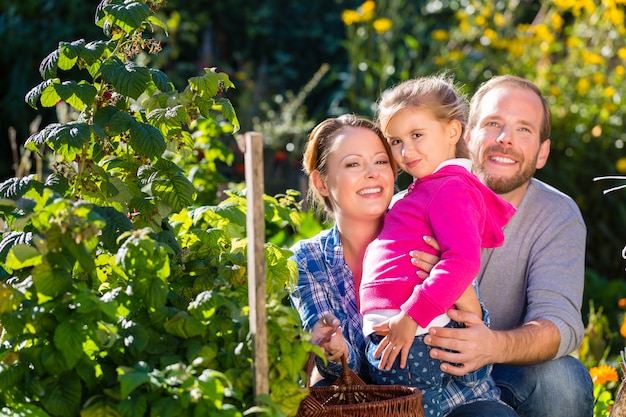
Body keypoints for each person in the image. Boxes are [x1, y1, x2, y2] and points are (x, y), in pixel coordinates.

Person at [289, 113, 519, 416]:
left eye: (381, 161)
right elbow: (344, 374)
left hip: (461, 401)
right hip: (376, 407)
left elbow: (474, 367)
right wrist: (333, 353)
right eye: (353, 164)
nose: (372, 173)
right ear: (320, 182)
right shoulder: (308, 260)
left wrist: (461, 295)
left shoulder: (424, 219)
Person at [418, 75, 594, 417]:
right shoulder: (419, 200)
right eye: (493, 123)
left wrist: (491, 346)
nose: (505, 139)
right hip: (422, 373)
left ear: (542, 153)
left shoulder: (557, 215)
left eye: (524, 130)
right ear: (468, 136)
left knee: (563, 380)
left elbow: (560, 323)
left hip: (504, 367)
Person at [358, 76, 516, 417]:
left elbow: (462, 262)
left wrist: (411, 316)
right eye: (396, 141)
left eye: (417, 135)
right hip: (403, 335)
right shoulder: (427, 188)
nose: (405, 151)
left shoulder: (451, 189)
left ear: (452, 132)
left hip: (417, 335)